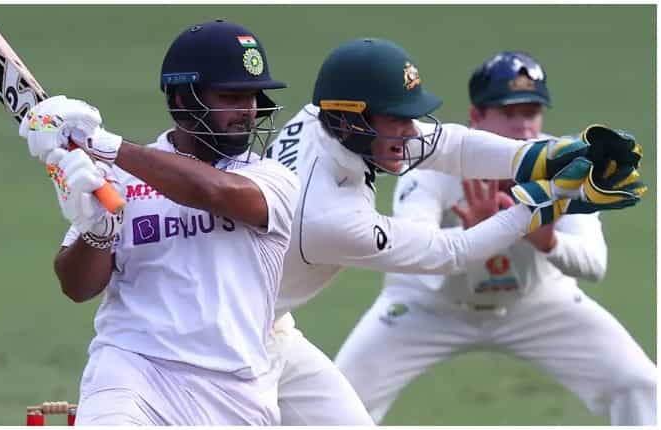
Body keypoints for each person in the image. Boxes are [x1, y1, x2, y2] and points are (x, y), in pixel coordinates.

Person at [263, 40, 646, 424]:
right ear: (350, 120)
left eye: (531, 111)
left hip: (271, 320)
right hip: (241, 333)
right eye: (397, 118)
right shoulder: (326, 213)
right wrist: (552, 199)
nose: (411, 130)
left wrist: (550, 156)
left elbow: (449, 144)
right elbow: (451, 253)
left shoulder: (325, 117)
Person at [18, 19, 299, 425]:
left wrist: (103, 144)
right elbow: (76, 286)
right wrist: (99, 235)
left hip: (237, 390)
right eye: (231, 96)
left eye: (253, 97)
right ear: (183, 99)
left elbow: (214, 193)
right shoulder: (119, 178)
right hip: (133, 371)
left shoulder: (274, 180)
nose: (248, 111)